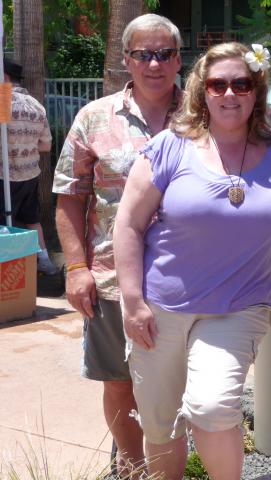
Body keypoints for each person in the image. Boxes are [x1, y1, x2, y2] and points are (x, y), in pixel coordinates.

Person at [113, 42, 271, 480]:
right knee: (160, 422)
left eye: (241, 84)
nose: (229, 94)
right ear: (201, 91)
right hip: (160, 307)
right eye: (217, 84)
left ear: (256, 91)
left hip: (239, 306)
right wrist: (132, 302)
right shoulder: (171, 147)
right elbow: (128, 224)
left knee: (212, 407)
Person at [52, 13, 183, 474]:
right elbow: (70, 198)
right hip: (110, 281)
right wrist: (76, 269)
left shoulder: (202, 117)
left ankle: (168, 468)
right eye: (143, 54)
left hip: (187, 279)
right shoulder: (94, 118)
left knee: (179, 386)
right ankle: (130, 468)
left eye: (164, 53)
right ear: (126, 60)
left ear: (178, 59)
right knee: (119, 382)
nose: (154, 64)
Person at [0, 58, 56, 274]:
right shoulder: (36, 105)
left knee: (4, 223)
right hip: (30, 174)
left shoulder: (3, 100)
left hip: (5, 176)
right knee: (32, 220)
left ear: (4, 77)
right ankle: (45, 261)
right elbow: (46, 145)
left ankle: (8, 269)